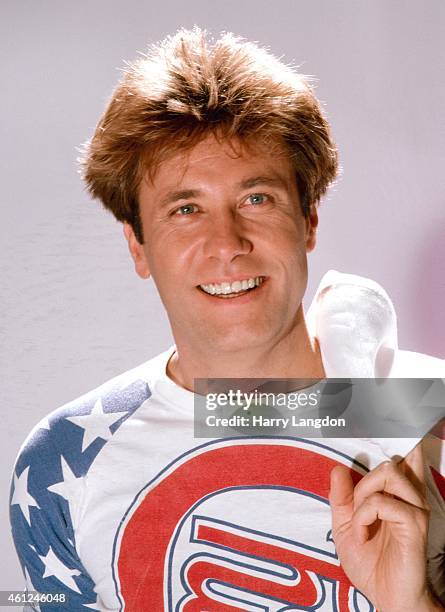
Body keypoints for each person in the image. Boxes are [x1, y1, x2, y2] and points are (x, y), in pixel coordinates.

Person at [10, 27, 445, 611]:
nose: (226, 243)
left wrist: (411, 604)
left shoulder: (429, 417)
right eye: (186, 209)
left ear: (309, 220)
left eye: (256, 199)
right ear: (137, 246)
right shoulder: (65, 461)